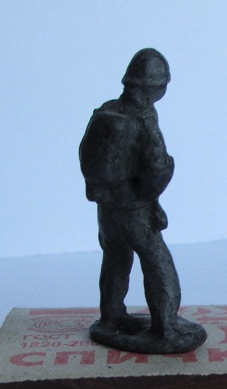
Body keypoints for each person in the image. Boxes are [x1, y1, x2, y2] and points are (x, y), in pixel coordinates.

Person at [79, 48, 206, 354]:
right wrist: (152, 196)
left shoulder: (106, 110)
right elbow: (158, 167)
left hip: (107, 207)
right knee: (158, 263)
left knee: (115, 259)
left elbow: (86, 153)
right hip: (135, 207)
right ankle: (166, 327)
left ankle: (110, 317)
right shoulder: (144, 118)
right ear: (154, 88)